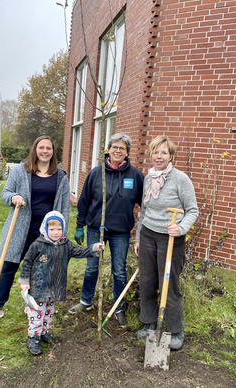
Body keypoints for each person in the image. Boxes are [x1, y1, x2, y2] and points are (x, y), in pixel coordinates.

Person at [0, 136, 70, 319]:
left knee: (42, 270)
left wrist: (60, 234)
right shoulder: (20, 171)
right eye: (41, 147)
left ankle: (37, 304)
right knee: (8, 266)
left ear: (53, 152)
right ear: (35, 150)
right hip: (20, 229)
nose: (44, 151)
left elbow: (64, 207)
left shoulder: (61, 176)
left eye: (48, 148)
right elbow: (5, 193)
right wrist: (13, 197)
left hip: (45, 233)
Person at [68, 133, 144, 326]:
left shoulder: (135, 175)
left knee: (119, 270)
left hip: (121, 231)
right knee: (92, 266)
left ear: (127, 152)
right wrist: (80, 226)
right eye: (115, 147)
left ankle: (119, 307)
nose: (118, 151)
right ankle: (85, 301)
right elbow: (84, 201)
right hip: (96, 228)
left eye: (122, 148)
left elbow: (146, 204)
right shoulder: (96, 173)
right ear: (108, 149)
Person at [134, 135, 198, 350]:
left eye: (163, 152)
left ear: (171, 156)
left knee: (169, 286)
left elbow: (192, 210)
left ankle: (176, 330)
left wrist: (181, 228)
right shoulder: (149, 178)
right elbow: (145, 211)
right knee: (147, 282)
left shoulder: (181, 179)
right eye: (155, 152)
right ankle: (150, 323)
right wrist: (138, 237)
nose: (158, 156)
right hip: (148, 235)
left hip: (171, 239)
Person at [18, 210, 104, 356]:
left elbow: (79, 251)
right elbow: (26, 263)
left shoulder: (65, 244)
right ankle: (33, 338)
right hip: (39, 288)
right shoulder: (37, 245)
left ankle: (45, 332)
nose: (56, 232)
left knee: (49, 312)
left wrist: (94, 248)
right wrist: (24, 281)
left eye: (59, 229)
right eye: (52, 229)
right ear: (45, 228)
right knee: (37, 313)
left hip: (55, 287)